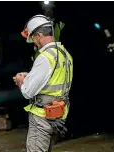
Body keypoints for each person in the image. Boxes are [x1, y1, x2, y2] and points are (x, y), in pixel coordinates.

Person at [14, 15, 73, 152]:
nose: (34, 42)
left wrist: (21, 81)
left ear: (39, 35)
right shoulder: (64, 54)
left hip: (42, 117)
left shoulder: (44, 58)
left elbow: (27, 91)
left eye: (33, 38)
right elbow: (55, 79)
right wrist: (31, 76)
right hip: (58, 115)